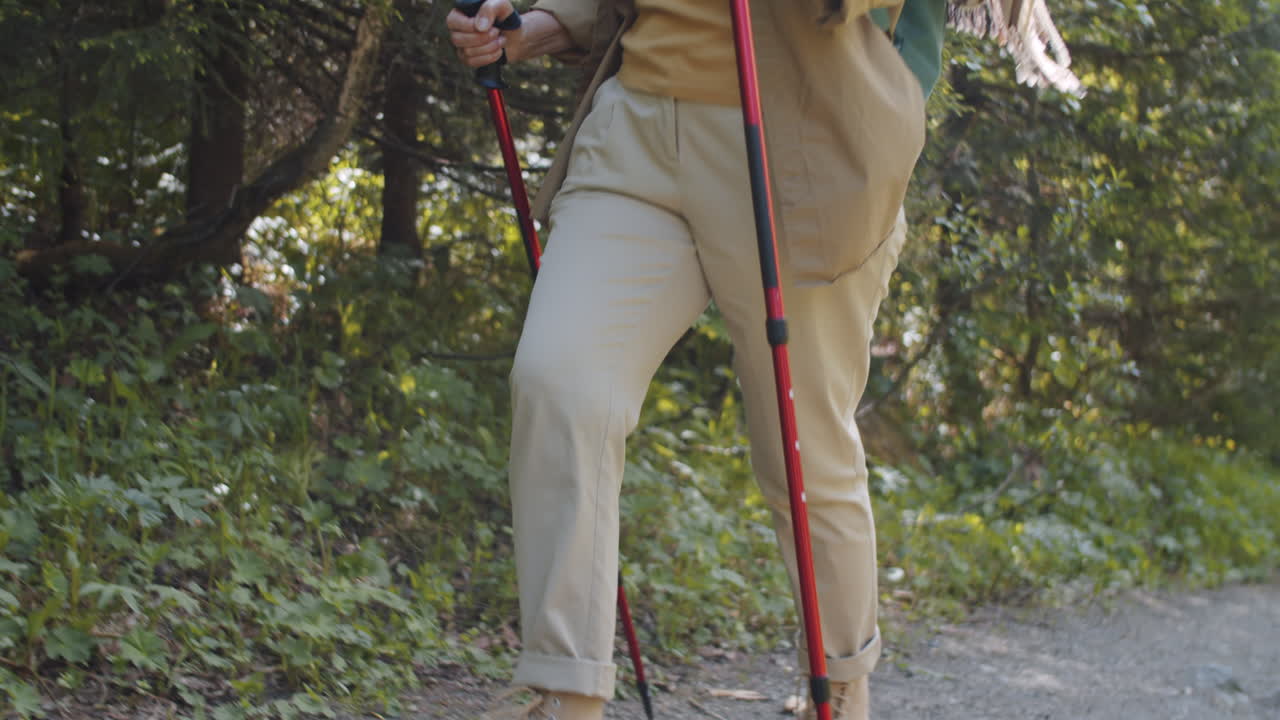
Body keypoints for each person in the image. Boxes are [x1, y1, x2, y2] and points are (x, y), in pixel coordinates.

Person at [448, 1, 928, 718]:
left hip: (800, 139)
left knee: (802, 446)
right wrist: (546, 22)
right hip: (638, 128)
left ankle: (841, 687)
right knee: (559, 383)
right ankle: (565, 690)